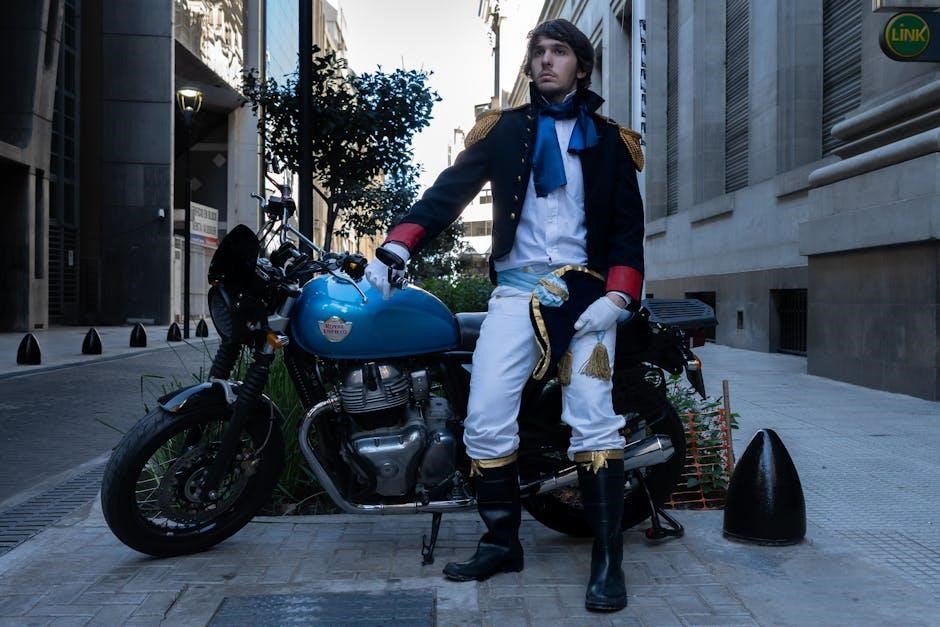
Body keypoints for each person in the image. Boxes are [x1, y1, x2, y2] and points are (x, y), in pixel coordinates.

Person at [365, 18, 644, 613]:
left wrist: (618, 299)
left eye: (558, 52)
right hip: (516, 296)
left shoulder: (611, 141)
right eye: (538, 52)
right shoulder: (506, 130)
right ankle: (501, 544)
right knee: (487, 418)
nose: (545, 61)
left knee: (593, 415)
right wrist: (399, 244)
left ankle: (607, 560)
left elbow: (627, 230)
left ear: (582, 66)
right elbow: (448, 193)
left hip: (586, 298)